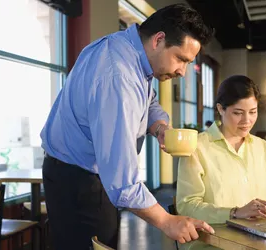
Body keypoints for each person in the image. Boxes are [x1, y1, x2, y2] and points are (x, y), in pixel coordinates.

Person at [40, 4, 214, 250]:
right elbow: (123, 182)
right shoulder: (118, 80)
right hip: (80, 183)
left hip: (76, 172)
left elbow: (148, 99)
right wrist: (167, 221)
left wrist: (160, 127)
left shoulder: (126, 49)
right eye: (180, 59)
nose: (182, 72)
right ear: (159, 40)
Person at [176, 75, 266, 250]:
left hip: (259, 243)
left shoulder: (263, 148)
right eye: (238, 113)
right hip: (213, 244)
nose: (247, 120)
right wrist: (234, 213)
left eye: (253, 111)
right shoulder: (198, 148)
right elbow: (186, 206)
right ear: (221, 109)